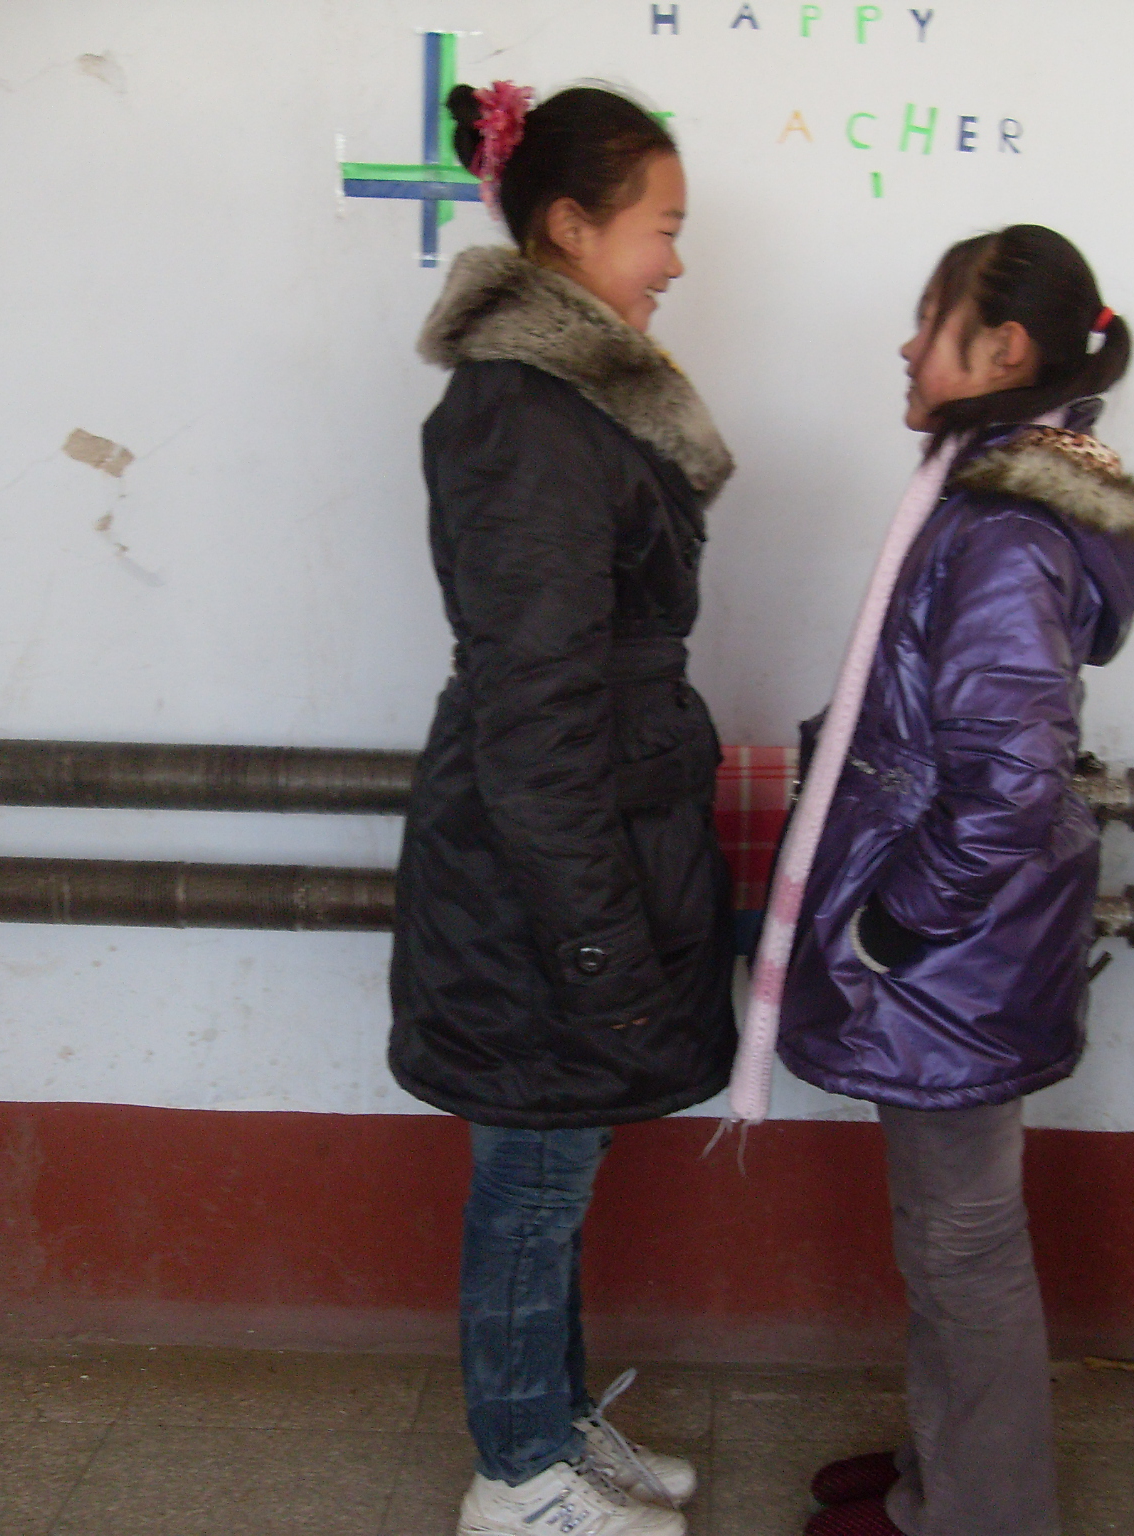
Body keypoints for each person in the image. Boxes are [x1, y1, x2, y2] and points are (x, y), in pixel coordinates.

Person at [775, 226, 1134, 1536]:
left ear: (1002, 349)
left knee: (964, 1242)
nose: (906, 343)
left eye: (930, 317)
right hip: (967, 953)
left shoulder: (1004, 529)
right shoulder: (990, 500)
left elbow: (1005, 781)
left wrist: (895, 929)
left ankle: (982, 1514)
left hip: (950, 954)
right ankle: (940, 1480)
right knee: (948, 1234)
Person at [387, 79, 736, 1536]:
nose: (675, 259)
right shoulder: (526, 418)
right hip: (542, 869)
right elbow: (536, 718)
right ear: (574, 227)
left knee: (558, 1159)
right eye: (661, 226)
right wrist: (597, 942)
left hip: (582, 846)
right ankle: (517, 1477)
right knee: (535, 1179)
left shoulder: (568, 402)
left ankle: (552, 1425)